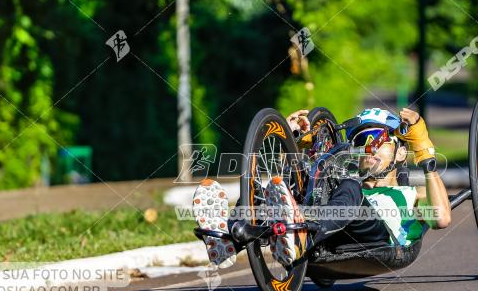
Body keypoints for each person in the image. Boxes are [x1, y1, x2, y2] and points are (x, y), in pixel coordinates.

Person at [192, 107, 451, 269]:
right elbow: (290, 186)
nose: (367, 147)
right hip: (332, 232)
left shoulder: (410, 195)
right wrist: (292, 140)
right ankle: (227, 237)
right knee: (300, 180)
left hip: (381, 241)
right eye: (360, 140)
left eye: (376, 139)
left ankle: (300, 234)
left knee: (350, 184)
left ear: (400, 152)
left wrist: (425, 152)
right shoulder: (344, 183)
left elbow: (440, 218)